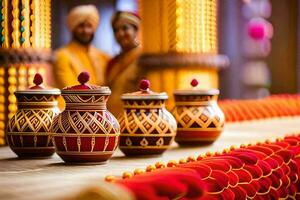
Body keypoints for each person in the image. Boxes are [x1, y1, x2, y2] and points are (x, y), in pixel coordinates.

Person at [53, 5, 109, 89]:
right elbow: (71, 90)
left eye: (89, 26)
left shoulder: (103, 57)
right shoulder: (62, 56)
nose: (85, 31)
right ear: (73, 28)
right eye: (81, 26)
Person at [106, 11, 142, 116]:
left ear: (135, 30)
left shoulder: (144, 59)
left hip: (134, 121)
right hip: (112, 121)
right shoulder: (112, 62)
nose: (120, 34)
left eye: (125, 28)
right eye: (116, 30)